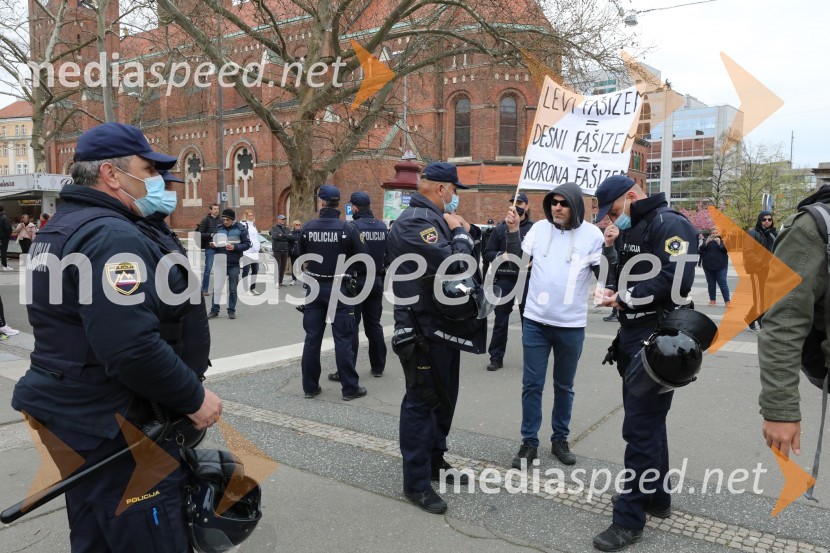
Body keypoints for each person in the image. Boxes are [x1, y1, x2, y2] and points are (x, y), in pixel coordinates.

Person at [11, 121, 222, 553]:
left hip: (76, 410)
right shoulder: (110, 236)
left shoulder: (63, 227)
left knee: (95, 532)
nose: (158, 182)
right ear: (111, 174)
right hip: (116, 425)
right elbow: (130, 346)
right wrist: (193, 400)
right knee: (147, 535)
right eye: (149, 170)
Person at [592, 174, 697, 551]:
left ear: (632, 196)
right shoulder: (637, 226)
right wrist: (613, 289)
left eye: (614, 209)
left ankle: (629, 520)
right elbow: (633, 275)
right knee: (650, 424)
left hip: (657, 338)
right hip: (635, 336)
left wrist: (624, 299)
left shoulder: (671, 224)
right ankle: (657, 497)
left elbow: (678, 279)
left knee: (640, 429)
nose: (610, 219)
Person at [385, 162, 487, 514]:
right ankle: (416, 483)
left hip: (442, 325)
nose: (456, 197)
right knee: (422, 401)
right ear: (441, 189)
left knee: (442, 399)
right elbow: (456, 266)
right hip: (421, 328)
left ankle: (434, 461)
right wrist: (459, 232)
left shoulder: (431, 219)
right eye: (455, 190)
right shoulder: (416, 221)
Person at [504, 184, 604, 469]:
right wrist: (513, 231)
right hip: (535, 321)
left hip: (571, 325)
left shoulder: (592, 235)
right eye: (553, 203)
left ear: (576, 206)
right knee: (531, 385)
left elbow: (604, 274)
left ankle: (560, 439)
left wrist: (610, 248)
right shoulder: (537, 230)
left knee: (564, 386)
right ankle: (529, 443)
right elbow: (517, 264)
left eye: (563, 203)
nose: (557, 207)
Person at [758, 185, 830, 459]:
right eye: (764, 219)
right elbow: (784, 322)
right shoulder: (811, 228)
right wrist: (781, 410)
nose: (767, 222)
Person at [298, 184, 368, 401]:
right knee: (344, 339)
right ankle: (349, 388)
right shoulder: (348, 229)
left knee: (312, 339)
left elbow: (299, 257)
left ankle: (310, 387)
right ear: (339, 203)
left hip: (315, 287)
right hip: (340, 287)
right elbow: (363, 260)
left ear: (320, 202)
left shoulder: (308, 227)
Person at [328, 191, 387, 382]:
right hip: (376, 280)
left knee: (351, 327)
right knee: (374, 325)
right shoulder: (381, 226)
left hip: (355, 281)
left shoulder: (351, 226)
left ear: (354, 207)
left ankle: (347, 369)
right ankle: (378, 366)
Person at [483, 193, 533, 371]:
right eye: (513, 202)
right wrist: (500, 256)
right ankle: (496, 357)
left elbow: (543, 253)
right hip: (505, 278)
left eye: (519, 202)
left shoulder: (534, 229)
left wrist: (535, 261)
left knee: (528, 321)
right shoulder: (500, 228)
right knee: (500, 321)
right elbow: (487, 252)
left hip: (526, 279)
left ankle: (532, 359)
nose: (516, 205)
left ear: (527, 206)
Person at [208, 208, 251, 320]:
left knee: (232, 289)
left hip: (234, 263)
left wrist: (235, 247)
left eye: (227, 220)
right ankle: (214, 311)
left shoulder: (241, 229)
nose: (225, 221)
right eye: (224, 219)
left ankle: (231, 311)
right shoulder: (219, 228)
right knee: (217, 288)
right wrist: (213, 245)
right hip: (220, 262)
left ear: (233, 220)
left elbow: (247, 244)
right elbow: (215, 241)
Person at [745, 210, 777, 331]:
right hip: (758, 270)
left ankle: (750, 317)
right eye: (764, 219)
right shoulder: (753, 233)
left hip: (771, 270)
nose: (767, 221)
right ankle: (761, 320)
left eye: (769, 219)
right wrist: (763, 263)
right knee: (759, 297)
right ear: (760, 220)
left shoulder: (774, 233)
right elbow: (748, 252)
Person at [700, 228, 730, 306]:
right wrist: (706, 242)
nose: (715, 234)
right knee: (711, 284)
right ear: (711, 234)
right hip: (708, 266)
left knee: (722, 283)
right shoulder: (707, 240)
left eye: (716, 233)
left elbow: (727, 250)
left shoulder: (723, 240)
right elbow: (700, 250)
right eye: (713, 233)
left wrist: (720, 243)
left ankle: (727, 301)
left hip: (721, 266)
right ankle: (712, 300)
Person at [196, 203, 221, 296]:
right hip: (209, 247)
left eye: (217, 209)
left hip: (219, 247)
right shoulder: (206, 220)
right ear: (210, 210)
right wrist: (210, 235)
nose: (216, 210)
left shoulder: (221, 220)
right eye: (214, 209)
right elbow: (200, 233)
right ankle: (204, 289)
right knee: (208, 269)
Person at [240, 209, 261, 295]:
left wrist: (258, 245)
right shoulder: (243, 225)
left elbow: (256, 237)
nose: (251, 217)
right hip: (247, 252)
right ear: (246, 216)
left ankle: (253, 288)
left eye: (252, 215)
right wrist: (250, 244)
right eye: (249, 215)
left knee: (255, 270)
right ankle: (245, 289)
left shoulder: (253, 225)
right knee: (246, 271)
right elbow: (243, 236)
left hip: (255, 252)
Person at [269, 214, 293, 287]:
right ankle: (276, 281)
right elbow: (275, 236)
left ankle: (280, 282)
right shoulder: (274, 228)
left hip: (285, 249)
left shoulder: (287, 228)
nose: (283, 221)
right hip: (277, 249)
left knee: (283, 267)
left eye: (284, 219)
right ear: (278, 220)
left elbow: (290, 237)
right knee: (277, 266)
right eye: (282, 219)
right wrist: (285, 236)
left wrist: (282, 235)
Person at [289, 219, 302, 284]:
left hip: (300, 252)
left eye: (299, 225)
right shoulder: (291, 233)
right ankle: (294, 279)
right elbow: (289, 243)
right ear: (294, 225)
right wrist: (290, 250)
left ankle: (302, 279)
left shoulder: (302, 232)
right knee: (293, 266)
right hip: (293, 252)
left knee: (301, 266)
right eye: (297, 225)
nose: (298, 226)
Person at [0, 205, 10, 270]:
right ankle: (4, 265)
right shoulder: (4, 217)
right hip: (3, 237)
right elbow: (7, 228)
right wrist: (8, 234)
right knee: (3, 251)